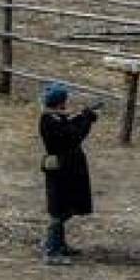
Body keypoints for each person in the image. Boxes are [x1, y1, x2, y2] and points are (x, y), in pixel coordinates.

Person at [38, 82, 99, 264]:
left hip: (68, 168)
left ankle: (58, 244)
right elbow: (73, 136)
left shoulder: (53, 118)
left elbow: (70, 125)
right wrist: (86, 120)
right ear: (59, 103)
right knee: (60, 210)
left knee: (66, 206)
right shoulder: (50, 121)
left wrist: (83, 117)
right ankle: (51, 250)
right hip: (62, 170)